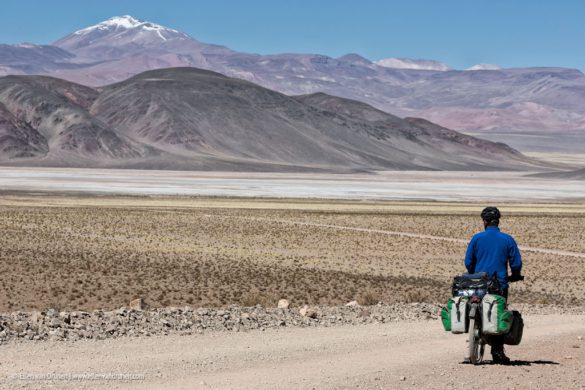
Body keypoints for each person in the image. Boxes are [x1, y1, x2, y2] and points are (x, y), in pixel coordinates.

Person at [464, 206, 523, 365]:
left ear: (484, 221)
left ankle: (473, 337)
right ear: (498, 221)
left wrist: (473, 273)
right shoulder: (507, 239)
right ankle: (497, 351)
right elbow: (516, 263)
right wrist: (515, 276)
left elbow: (468, 261)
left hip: (478, 282)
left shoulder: (477, 238)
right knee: (497, 313)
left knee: (475, 305)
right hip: (499, 284)